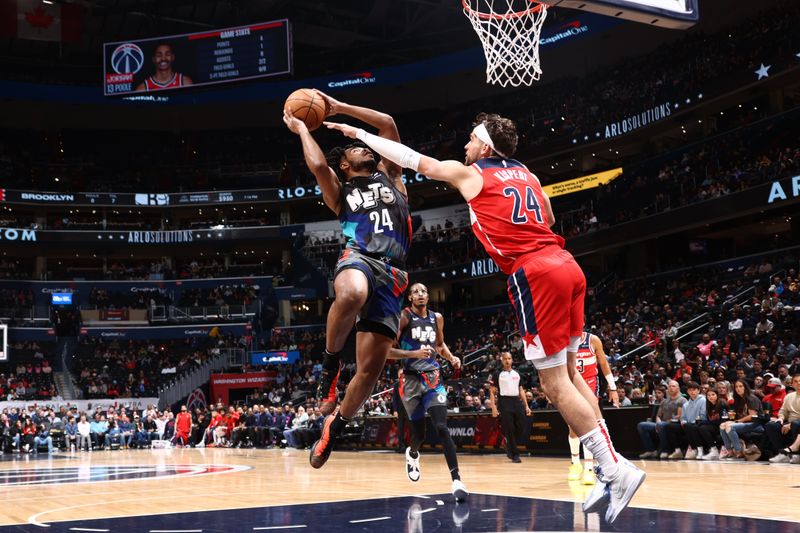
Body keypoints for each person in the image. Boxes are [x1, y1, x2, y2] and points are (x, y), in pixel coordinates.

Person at [324, 111, 644, 523]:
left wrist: (357, 133)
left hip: (535, 272)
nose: (465, 147)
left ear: (485, 146)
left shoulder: (474, 174)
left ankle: (614, 469)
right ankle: (610, 465)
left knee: (554, 383)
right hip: (567, 263)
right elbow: (545, 216)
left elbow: (410, 158)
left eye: (471, 141)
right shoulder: (525, 172)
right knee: (572, 371)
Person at [284, 90, 411, 470]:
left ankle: (334, 426)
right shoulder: (341, 192)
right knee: (352, 292)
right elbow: (319, 168)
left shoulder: (391, 174)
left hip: (394, 275)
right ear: (345, 164)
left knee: (371, 373)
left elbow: (387, 123)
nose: (366, 151)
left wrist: (339, 109)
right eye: (355, 151)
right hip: (359, 257)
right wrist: (303, 129)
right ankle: (330, 363)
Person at [387, 282, 468, 501]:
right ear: (410, 298)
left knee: (441, 426)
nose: (421, 294)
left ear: (428, 297)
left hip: (433, 379)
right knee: (419, 435)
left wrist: (450, 358)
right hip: (410, 382)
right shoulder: (403, 318)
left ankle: (457, 481)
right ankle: (413, 454)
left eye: (424, 291)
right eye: (416, 292)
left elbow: (440, 346)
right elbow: (387, 351)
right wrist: (414, 354)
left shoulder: (437, 318)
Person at [567, 331, 619, 485]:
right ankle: (575, 464)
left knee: (587, 425)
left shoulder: (593, 340)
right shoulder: (564, 341)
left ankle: (589, 468)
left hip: (590, 384)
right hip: (571, 385)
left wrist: (613, 387)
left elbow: (603, 363)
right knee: (573, 428)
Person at [489, 351, 531, 464]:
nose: (507, 361)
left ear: (512, 360)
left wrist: (526, 405)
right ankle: (515, 454)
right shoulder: (497, 374)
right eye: (505, 359)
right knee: (510, 429)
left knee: (521, 426)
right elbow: (492, 392)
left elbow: (521, 390)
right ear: (502, 360)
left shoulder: (517, 374)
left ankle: (508, 444)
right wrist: (493, 407)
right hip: (504, 402)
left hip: (516, 401)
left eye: (509, 358)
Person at [638, 380, 687, 459]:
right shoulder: (664, 401)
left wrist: (663, 423)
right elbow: (658, 415)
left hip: (673, 424)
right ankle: (651, 450)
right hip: (661, 424)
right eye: (669, 386)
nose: (671, 388)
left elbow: (679, 416)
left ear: (678, 389)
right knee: (641, 425)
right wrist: (658, 422)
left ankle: (665, 450)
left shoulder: (682, 400)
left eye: (673, 386)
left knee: (661, 425)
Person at [720, 379, 764, 461]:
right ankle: (730, 452)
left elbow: (752, 416)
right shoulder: (738, 399)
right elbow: (736, 415)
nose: (738, 388)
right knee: (722, 425)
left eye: (740, 386)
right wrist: (733, 420)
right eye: (736, 387)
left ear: (745, 387)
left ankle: (739, 452)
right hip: (744, 423)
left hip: (757, 424)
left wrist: (737, 421)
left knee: (730, 427)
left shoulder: (751, 398)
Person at [663, 381, 706, 459]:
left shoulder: (703, 400)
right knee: (669, 426)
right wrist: (683, 422)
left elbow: (703, 415)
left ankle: (698, 450)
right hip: (687, 426)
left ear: (698, 390)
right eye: (690, 390)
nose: (692, 392)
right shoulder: (686, 405)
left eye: (694, 389)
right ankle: (677, 451)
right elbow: (683, 418)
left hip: (699, 424)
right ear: (687, 391)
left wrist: (690, 423)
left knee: (689, 426)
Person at [767, 375, 800, 462]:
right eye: (796, 381)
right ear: (792, 384)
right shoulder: (789, 396)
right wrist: (781, 418)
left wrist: (790, 425)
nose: (799, 383)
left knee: (795, 424)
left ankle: (796, 454)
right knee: (771, 425)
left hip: (797, 423)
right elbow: (783, 411)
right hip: (789, 422)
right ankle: (783, 453)